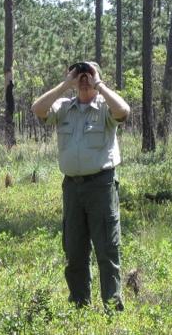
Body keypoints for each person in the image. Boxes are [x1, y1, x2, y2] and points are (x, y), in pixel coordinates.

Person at [31, 61, 130, 311]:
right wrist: (66, 83)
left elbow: (124, 111)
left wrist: (99, 83)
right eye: (80, 74)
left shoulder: (105, 108)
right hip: (72, 188)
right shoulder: (64, 108)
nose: (84, 78)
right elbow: (38, 109)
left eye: (89, 74)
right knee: (74, 250)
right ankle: (79, 306)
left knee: (107, 248)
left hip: (101, 185)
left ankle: (112, 305)